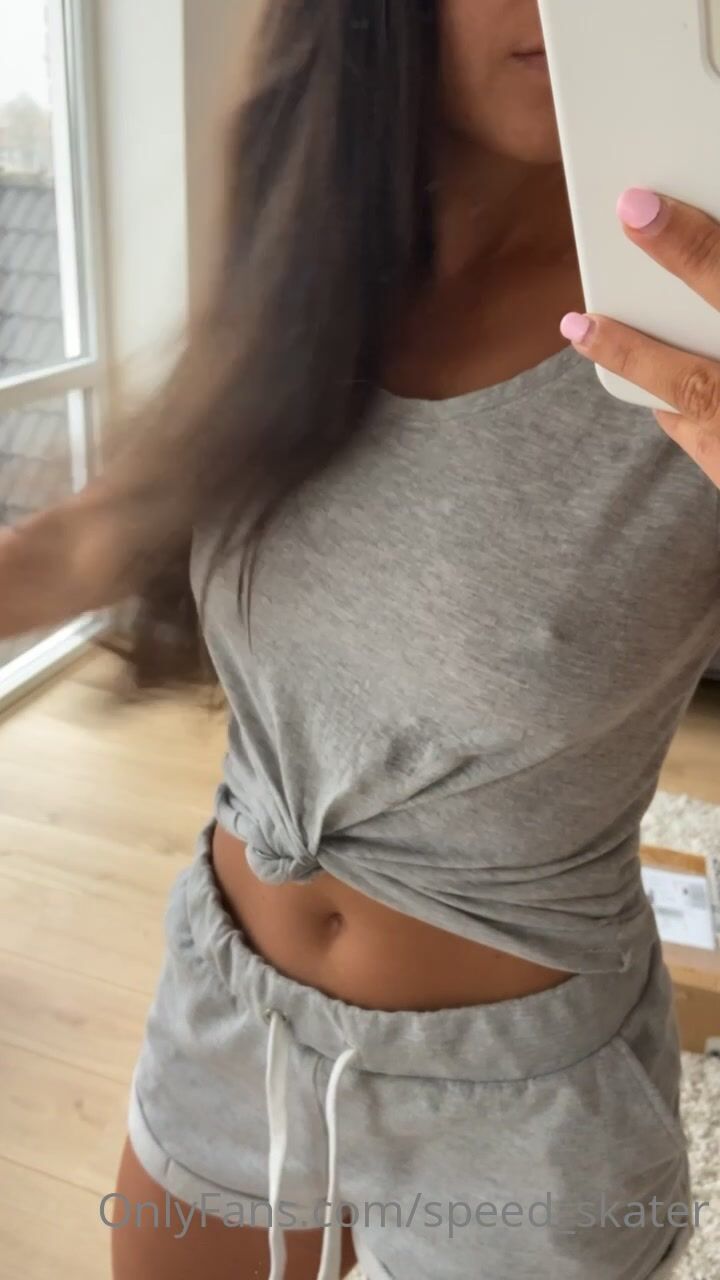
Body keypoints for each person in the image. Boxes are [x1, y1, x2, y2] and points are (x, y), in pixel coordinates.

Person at [3, 1, 720, 1277]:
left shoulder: (697, 316)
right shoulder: (313, 267)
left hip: (526, 1104)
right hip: (227, 1008)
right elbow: (109, 528)